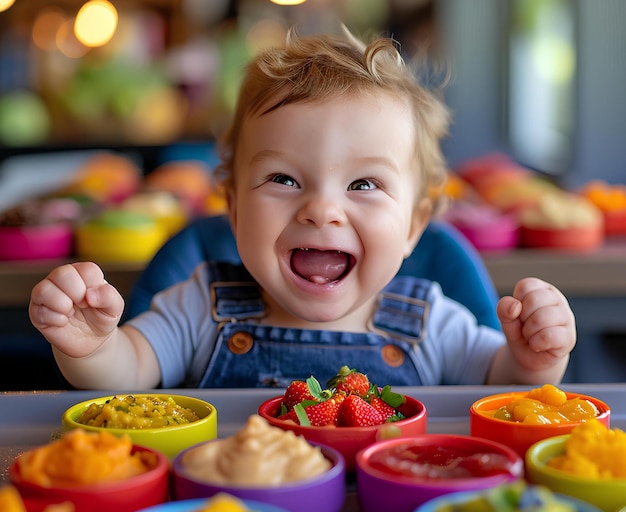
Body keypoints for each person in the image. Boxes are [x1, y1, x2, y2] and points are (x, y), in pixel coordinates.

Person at [29, 28, 576, 390]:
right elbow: (129, 373)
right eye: (284, 178)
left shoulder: (433, 323)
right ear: (235, 209)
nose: (322, 210)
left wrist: (532, 360)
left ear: (413, 225)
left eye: (363, 184)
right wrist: (93, 347)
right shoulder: (199, 308)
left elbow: (500, 386)